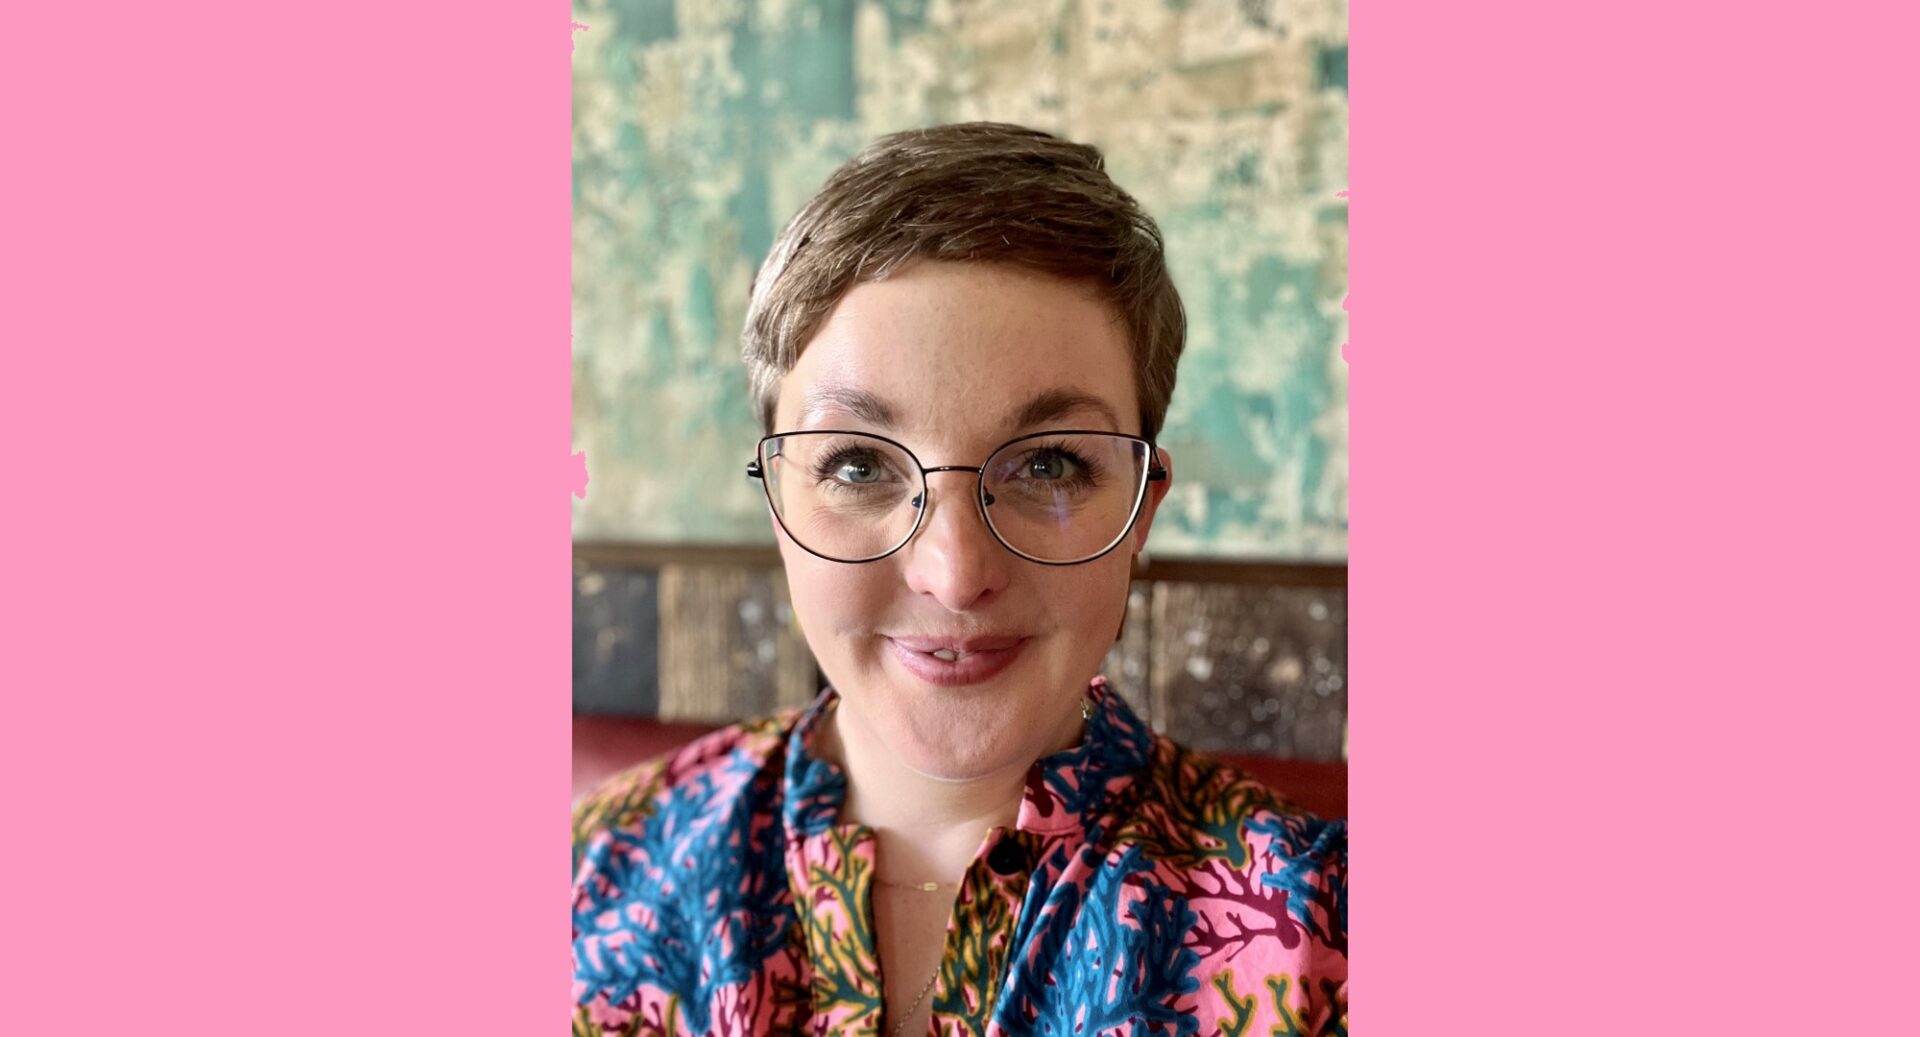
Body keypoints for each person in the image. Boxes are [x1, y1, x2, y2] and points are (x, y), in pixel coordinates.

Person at [572, 122, 1347, 1037]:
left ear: (1142, 506)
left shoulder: (1327, 939)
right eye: (859, 465)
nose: (954, 573)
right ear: (776, 496)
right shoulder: (593, 876)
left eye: (1051, 464)